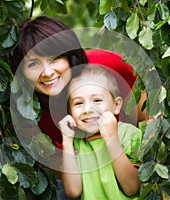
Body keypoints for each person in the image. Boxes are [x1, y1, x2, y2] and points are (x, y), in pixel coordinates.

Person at [10, 15, 146, 199]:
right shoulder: (30, 114)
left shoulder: (106, 67)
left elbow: (147, 113)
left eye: (55, 58)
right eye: (33, 64)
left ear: (70, 56)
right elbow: (68, 184)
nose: (47, 72)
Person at [59, 65, 142, 199]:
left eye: (97, 100)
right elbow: (73, 191)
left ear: (116, 105)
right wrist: (67, 141)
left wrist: (111, 138)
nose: (88, 109)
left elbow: (131, 188)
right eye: (78, 103)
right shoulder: (75, 142)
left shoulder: (129, 134)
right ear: (70, 111)